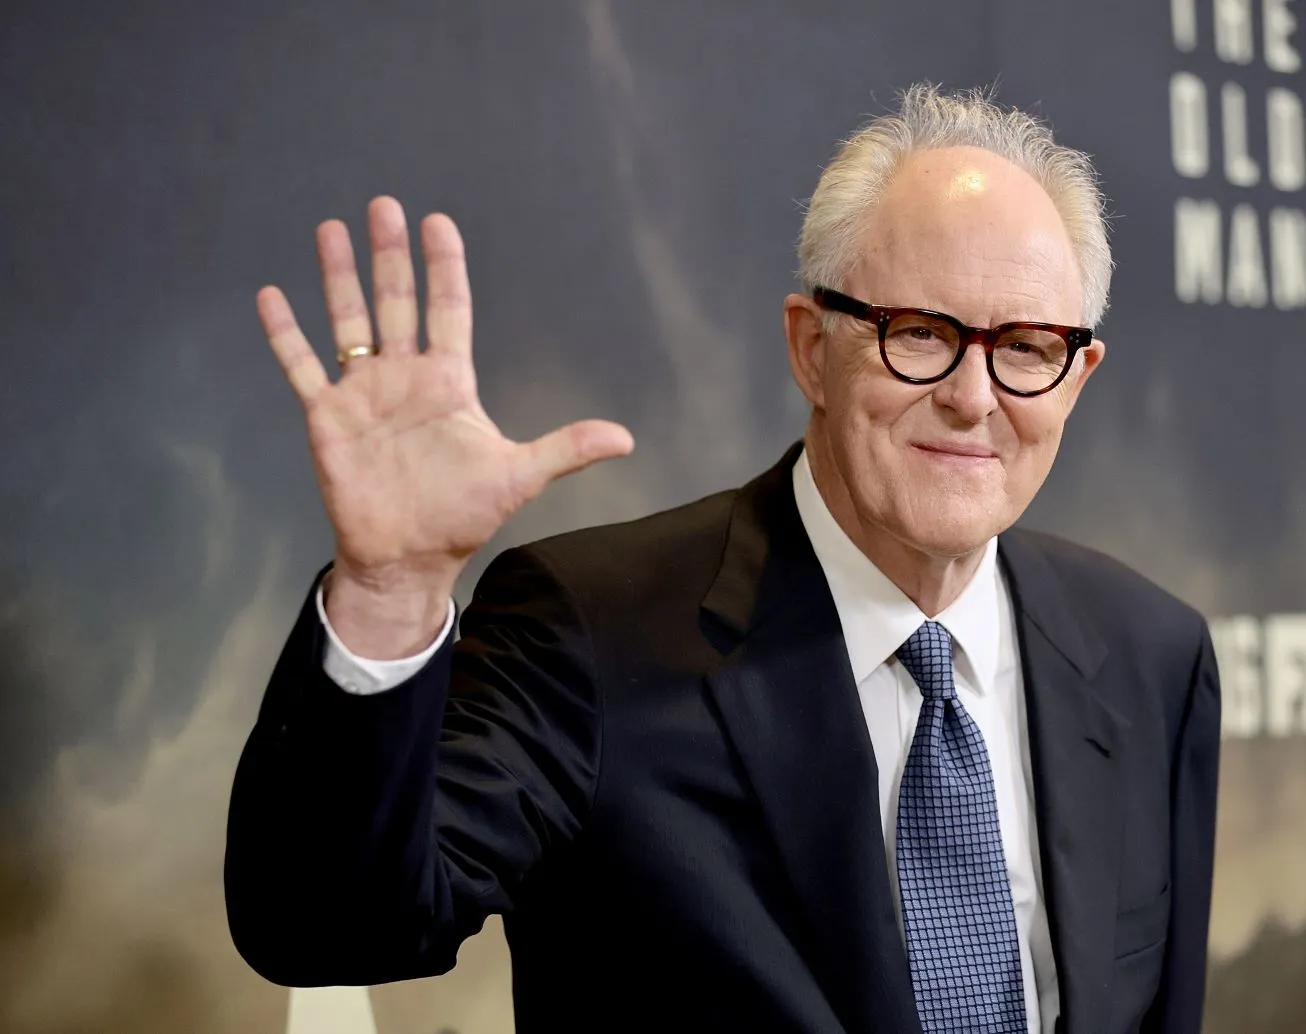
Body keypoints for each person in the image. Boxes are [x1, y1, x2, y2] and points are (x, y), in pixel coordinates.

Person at [225, 84, 1219, 1034]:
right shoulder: (585, 631)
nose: (973, 394)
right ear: (808, 347)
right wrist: (388, 593)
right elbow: (328, 924)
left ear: (1077, 374)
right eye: (918, 333)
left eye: (1028, 346)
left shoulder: (1149, 653)